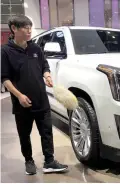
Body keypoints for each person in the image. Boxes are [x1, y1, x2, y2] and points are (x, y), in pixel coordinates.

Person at [1, 15, 68, 175]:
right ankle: (28, 161)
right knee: (24, 134)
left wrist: (47, 76)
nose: (29, 30)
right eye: (25, 27)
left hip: (41, 101)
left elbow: (44, 65)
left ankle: (49, 162)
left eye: (30, 27)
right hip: (22, 104)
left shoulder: (36, 48)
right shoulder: (5, 51)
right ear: (14, 29)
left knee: (46, 132)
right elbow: (4, 79)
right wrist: (19, 96)